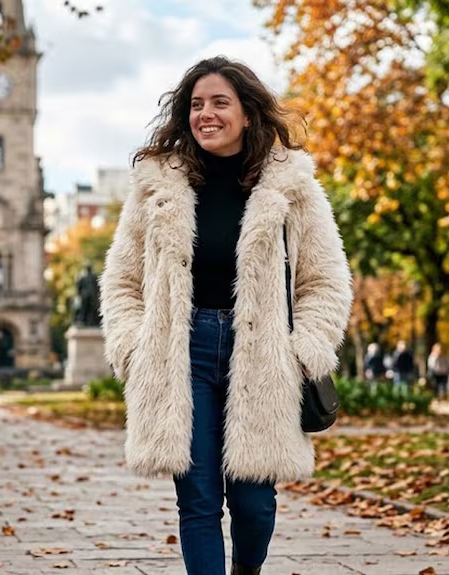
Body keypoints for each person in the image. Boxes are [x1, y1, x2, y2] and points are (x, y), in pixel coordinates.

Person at [99, 56, 352, 575]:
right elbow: (123, 280)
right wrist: (133, 347)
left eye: (219, 102)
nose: (205, 114)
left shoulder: (290, 186)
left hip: (262, 355)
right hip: (180, 354)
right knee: (198, 501)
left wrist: (302, 350)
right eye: (196, 105)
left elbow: (325, 280)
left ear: (248, 113)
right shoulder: (157, 186)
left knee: (254, 505)